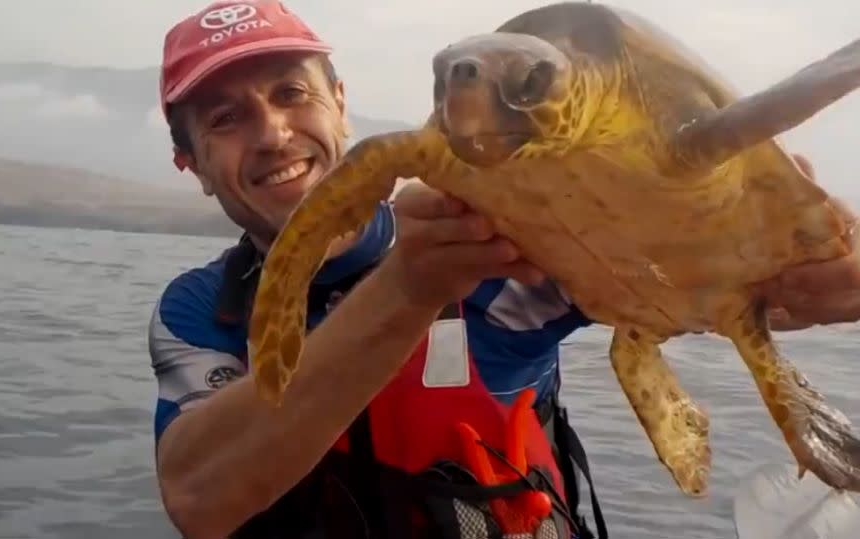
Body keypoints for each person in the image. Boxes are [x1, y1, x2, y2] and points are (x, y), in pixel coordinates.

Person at [148, 2, 860, 538]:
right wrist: (412, 285)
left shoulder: (508, 251)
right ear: (191, 164)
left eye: (291, 94)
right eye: (224, 119)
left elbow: (759, 286)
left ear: (340, 101)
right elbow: (200, 498)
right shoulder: (203, 311)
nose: (273, 133)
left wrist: (827, 266)